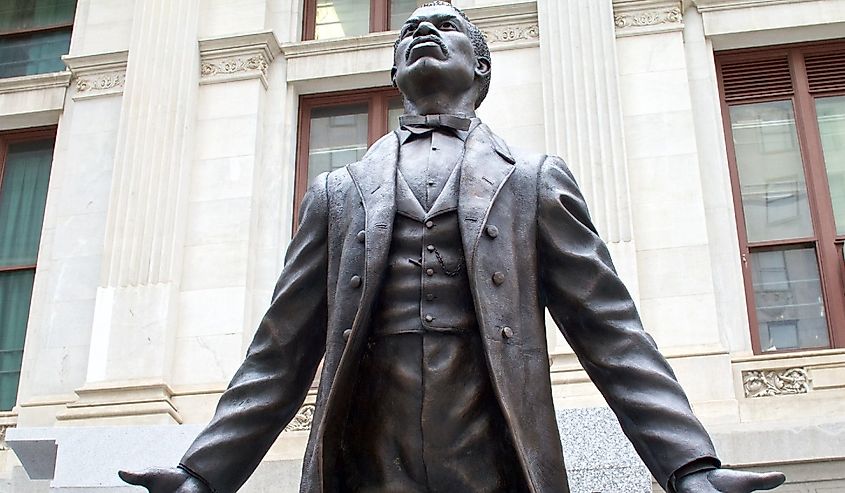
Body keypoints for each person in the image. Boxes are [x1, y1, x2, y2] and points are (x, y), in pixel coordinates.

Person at [120, 3, 786, 492]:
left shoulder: (531, 181)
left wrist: (689, 464)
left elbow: (610, 330)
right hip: (367, 458)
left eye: (443, 27)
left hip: (494, 453)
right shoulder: (336, 193)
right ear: (393, 69)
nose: (421, 32)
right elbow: (280, 349)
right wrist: (203, 473)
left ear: (481, 65)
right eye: (409, 29)